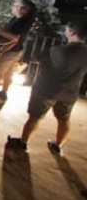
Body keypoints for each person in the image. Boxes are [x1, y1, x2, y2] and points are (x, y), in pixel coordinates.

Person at [6, 21, 87, 155]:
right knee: (64, 120)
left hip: (46, 89)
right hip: (70, 92)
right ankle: (58, 145)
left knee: (35, 117)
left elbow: (38, 57)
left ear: (72, 33)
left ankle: (23, 142)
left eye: (67, 30)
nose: (65, 32)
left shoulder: (57, 50)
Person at [0, 0, 37, 102]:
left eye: (14, 5)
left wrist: (2, 50)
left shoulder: (21, 22)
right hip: (15, 51)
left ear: (22, 8)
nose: (12, 6)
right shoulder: (21, 20)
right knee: (8, 73)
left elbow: (15, 39)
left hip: (9, 51)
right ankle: (3, 92)